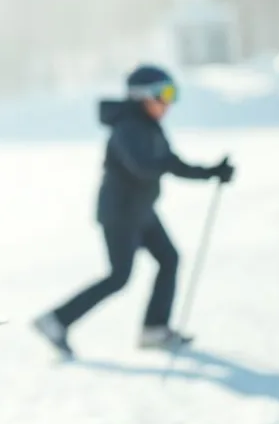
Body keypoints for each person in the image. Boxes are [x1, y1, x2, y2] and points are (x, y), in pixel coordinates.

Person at [33, 64, 234, 358]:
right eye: (164, 94)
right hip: (120, 215)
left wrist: (212, 172)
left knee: (169, 259)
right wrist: (168, 165)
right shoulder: (126, 128)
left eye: (172, 94)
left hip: (142, 212)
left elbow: (172, 163)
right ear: (142, 96)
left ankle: (154, 329)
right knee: (118, 277)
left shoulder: (149, 126)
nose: (169, 103)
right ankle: (55, 321)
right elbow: (143, 167)